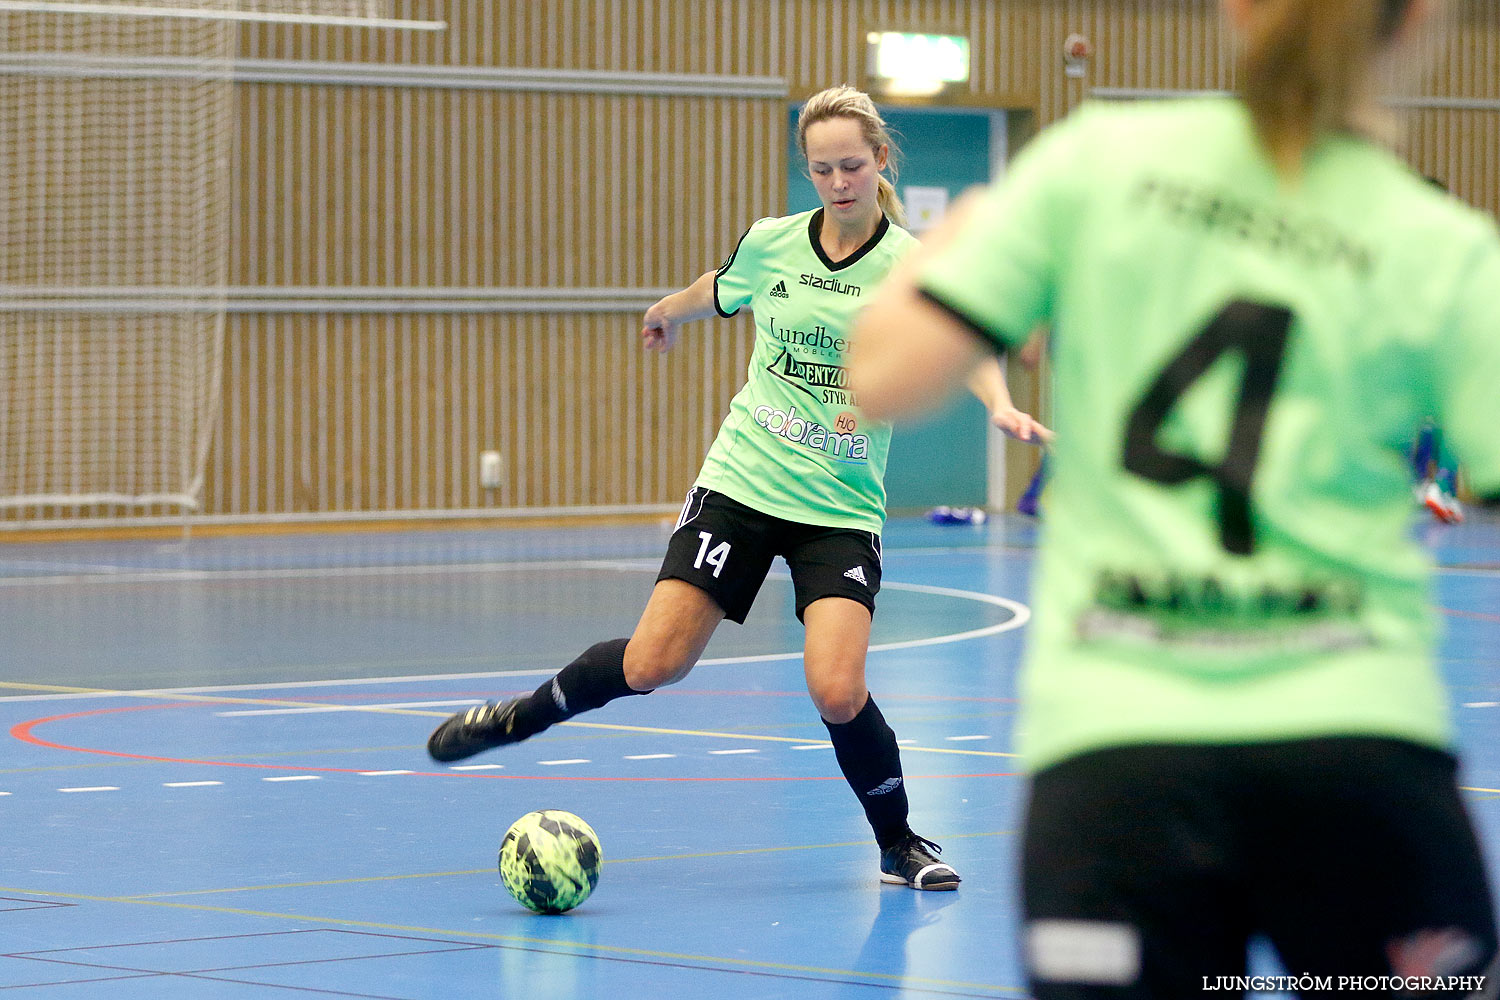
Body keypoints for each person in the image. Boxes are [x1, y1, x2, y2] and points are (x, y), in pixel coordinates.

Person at [850, 0, 1500, 993]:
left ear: (1235, 8)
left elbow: (886, 375)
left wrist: (954, 245)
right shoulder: (1445, 247)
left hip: (1117, 758)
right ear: (1424, 21)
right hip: (1356, 749)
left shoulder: (1097, 164)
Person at [428, 84, 1043, 891]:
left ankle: (900, 842)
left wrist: (999, 405)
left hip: (839, 508)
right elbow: (719, 286)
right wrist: (667, 312)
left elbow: (966, 341)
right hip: (742, 483)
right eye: (821, 169)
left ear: (880, 160)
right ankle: (519, 716)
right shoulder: (775, 243)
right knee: (653, 664)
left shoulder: (911, 265)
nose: (838, 182)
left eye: (852, 165)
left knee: (836, 686)